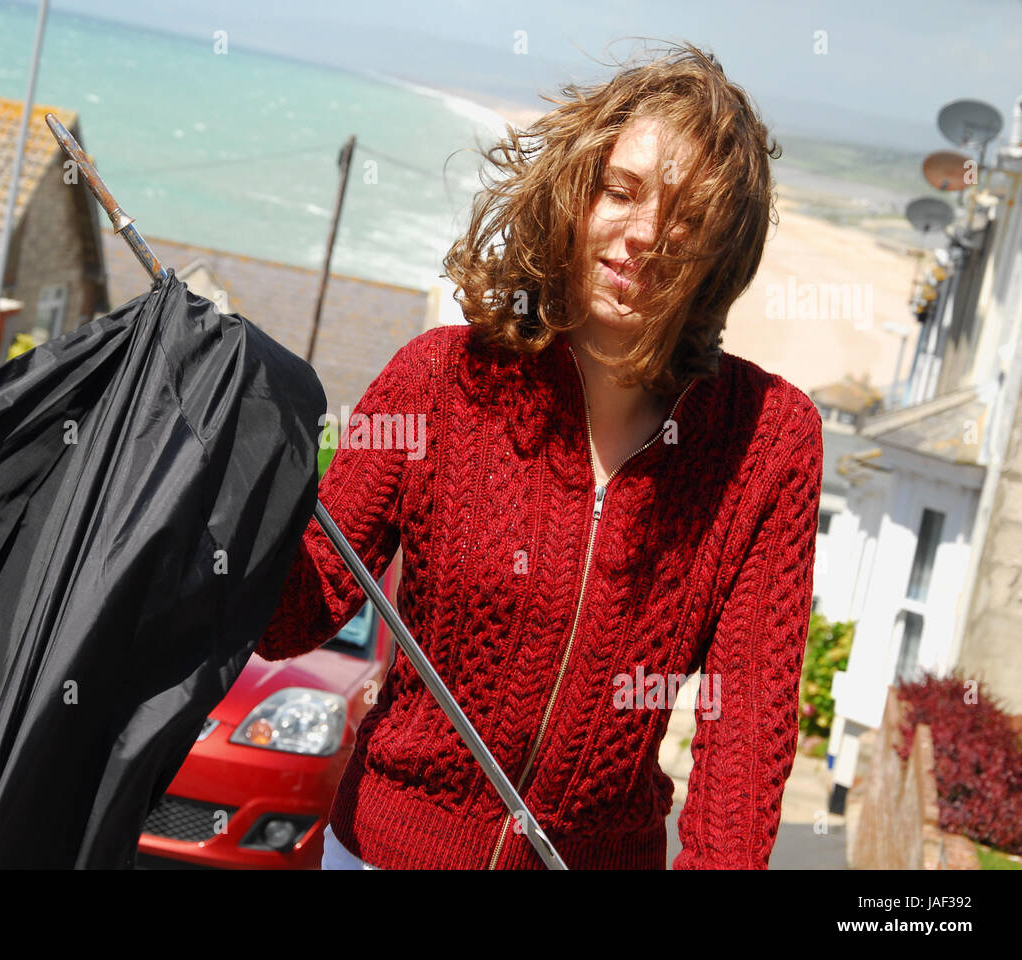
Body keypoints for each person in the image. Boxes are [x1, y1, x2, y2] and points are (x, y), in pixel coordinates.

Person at [256, 40, 823, 870]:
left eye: (688, 218)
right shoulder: (442, 379)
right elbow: (295, 612)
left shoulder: (768, 443)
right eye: (620, 192)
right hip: (384, 853)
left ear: (721, 254)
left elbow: (746, 732)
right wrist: (228, 473)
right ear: (573, 194)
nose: (643, 237)